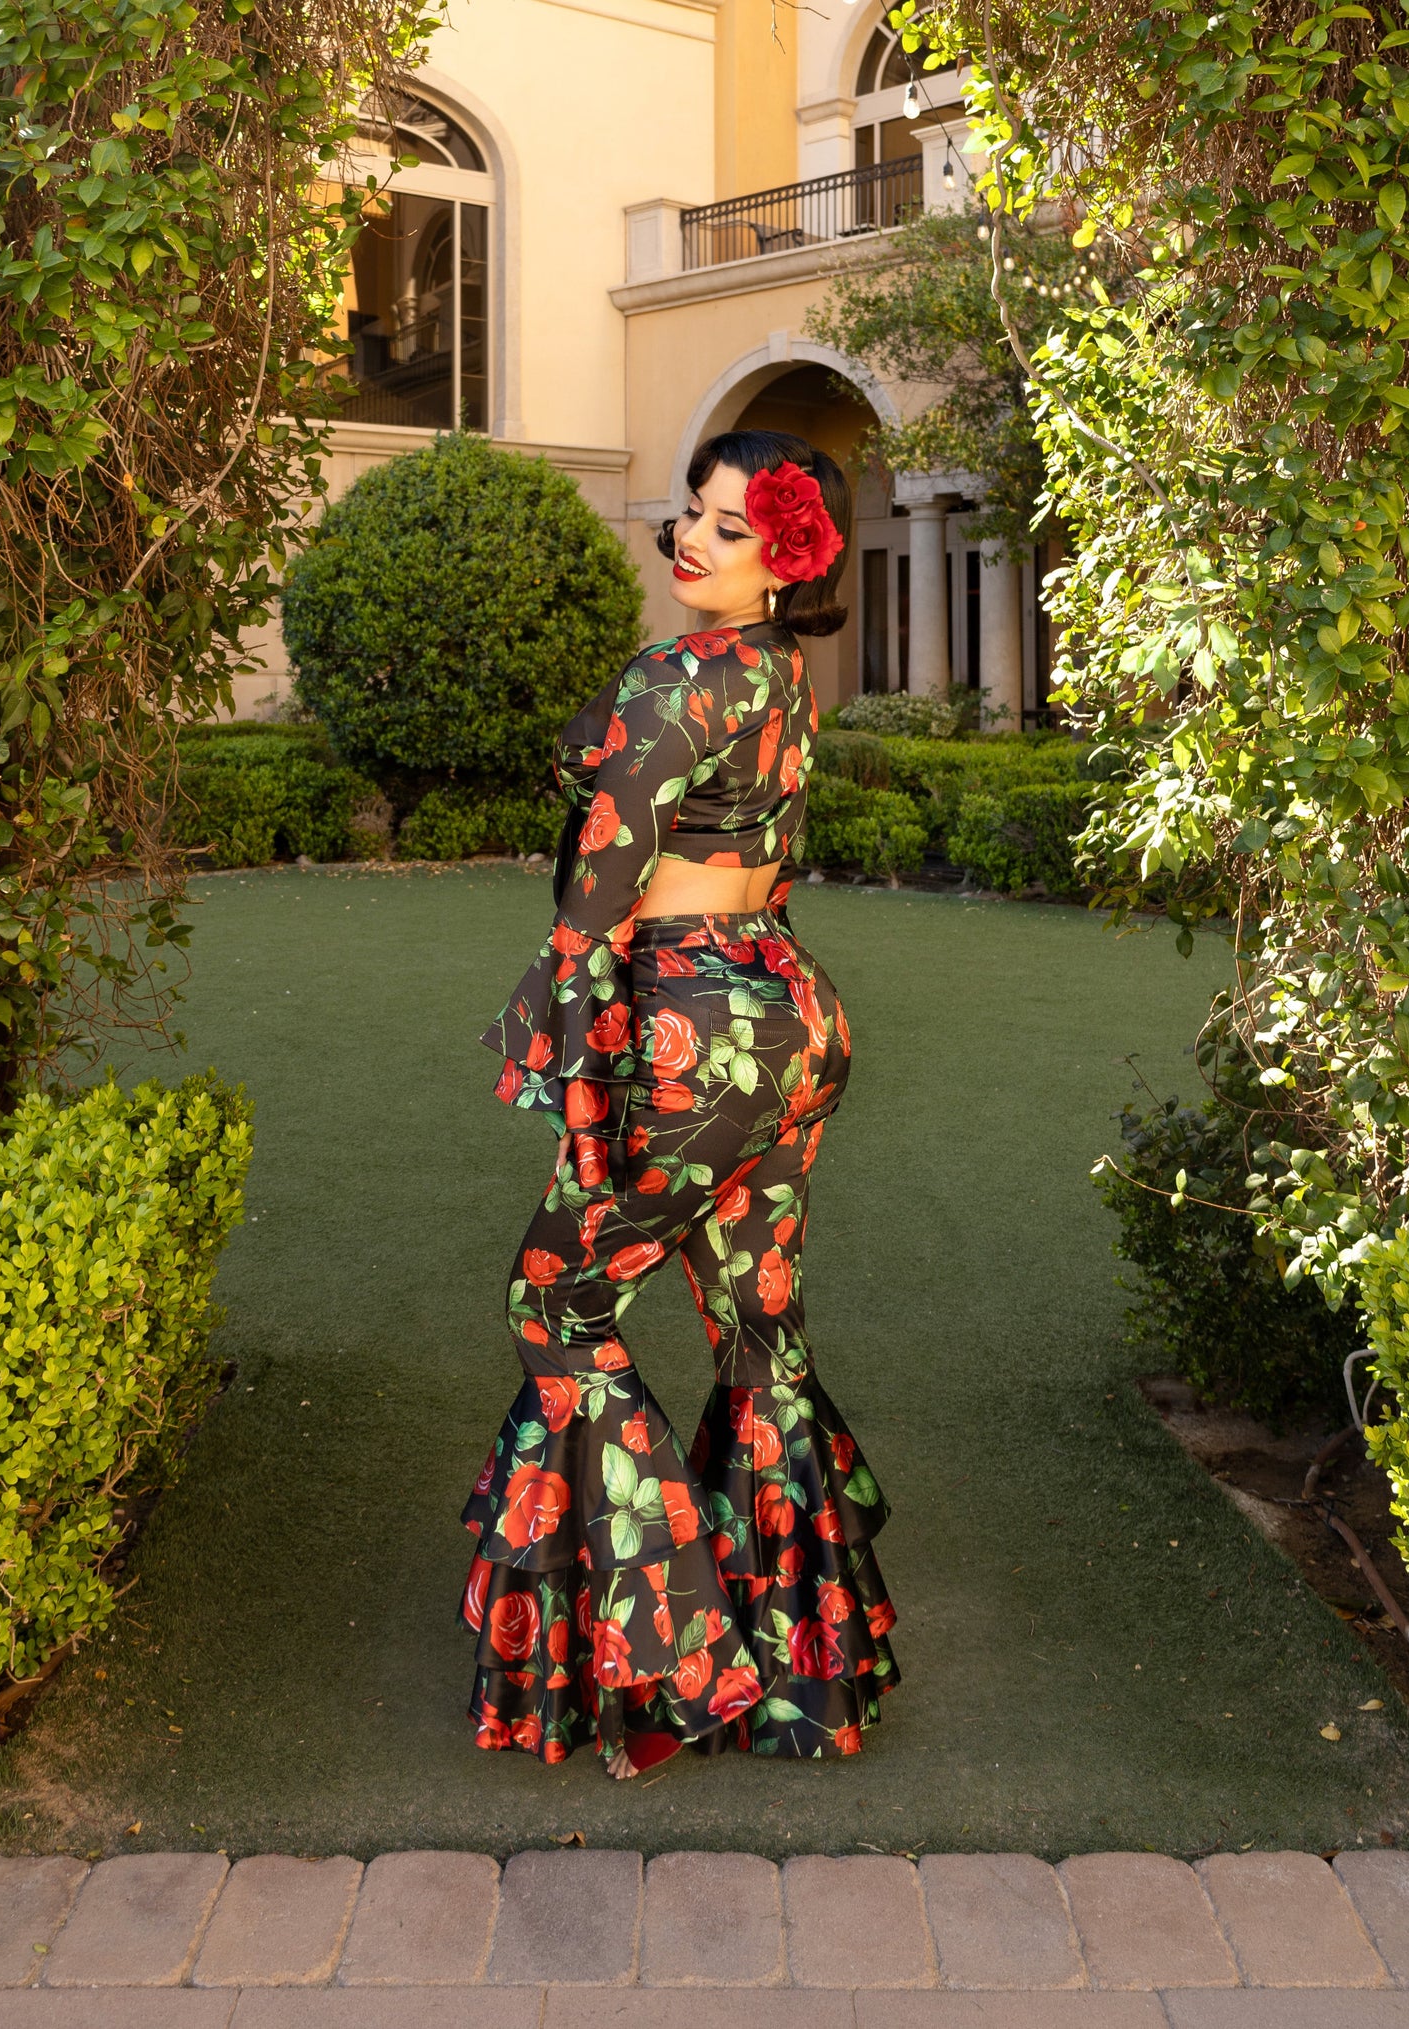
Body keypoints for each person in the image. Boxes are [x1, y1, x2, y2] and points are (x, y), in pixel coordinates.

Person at [459, 428, 899, 1778]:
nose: (690, 542)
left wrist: (551, 1009)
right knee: (754, 1324)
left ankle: (677, 1643)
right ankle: (807, 1668)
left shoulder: (675, 675)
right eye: (686, 519)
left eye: (726, 525)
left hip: (687, 1028)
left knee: (558, 1304)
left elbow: (604, 874)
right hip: (791, 1017)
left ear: (788, 554)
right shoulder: (778, 676)